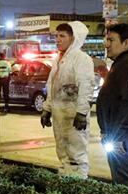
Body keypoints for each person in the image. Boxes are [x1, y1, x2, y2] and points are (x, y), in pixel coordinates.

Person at [96, 22, 128, 187]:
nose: (107, 45)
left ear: (126, 43)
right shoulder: (120, 64)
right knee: (119, 180)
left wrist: (117, 136)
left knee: (125, 182)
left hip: (124, 134)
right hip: (117, 133)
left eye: (111, 40)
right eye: (107, 40)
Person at [39, 22, 94, 178]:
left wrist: (82, 113)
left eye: (62, 36)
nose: (57, 39)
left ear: (74, 38)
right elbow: (51, 86)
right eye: (56, 36)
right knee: (63, 154)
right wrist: (47, 109)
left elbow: (86, 86)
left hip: (74, 117)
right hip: (59, 117)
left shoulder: (81, 59)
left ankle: (78, 188)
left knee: (77, 156)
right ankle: (66, 187)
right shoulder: (58, 60)